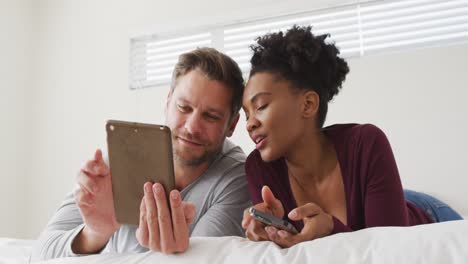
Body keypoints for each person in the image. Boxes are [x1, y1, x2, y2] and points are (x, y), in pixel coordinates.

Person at [241, 25, 463, 248]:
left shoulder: (365, 143)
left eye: (260, 106)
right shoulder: (258, 166)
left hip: (426, 214)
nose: (250, 123)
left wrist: (330, 228)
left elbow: (390, 249)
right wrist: (269, 234)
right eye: (246, 113)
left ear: (308, 105)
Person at [31, 47, 251, 261]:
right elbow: (39, 254)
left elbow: (203, 260)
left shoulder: (237, 178)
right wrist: (95, 233)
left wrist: (169, 254)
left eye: (211, 116)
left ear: (232, 124)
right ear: (168, 102)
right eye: (184, 107)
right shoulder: (119, 159)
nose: (192, 127)